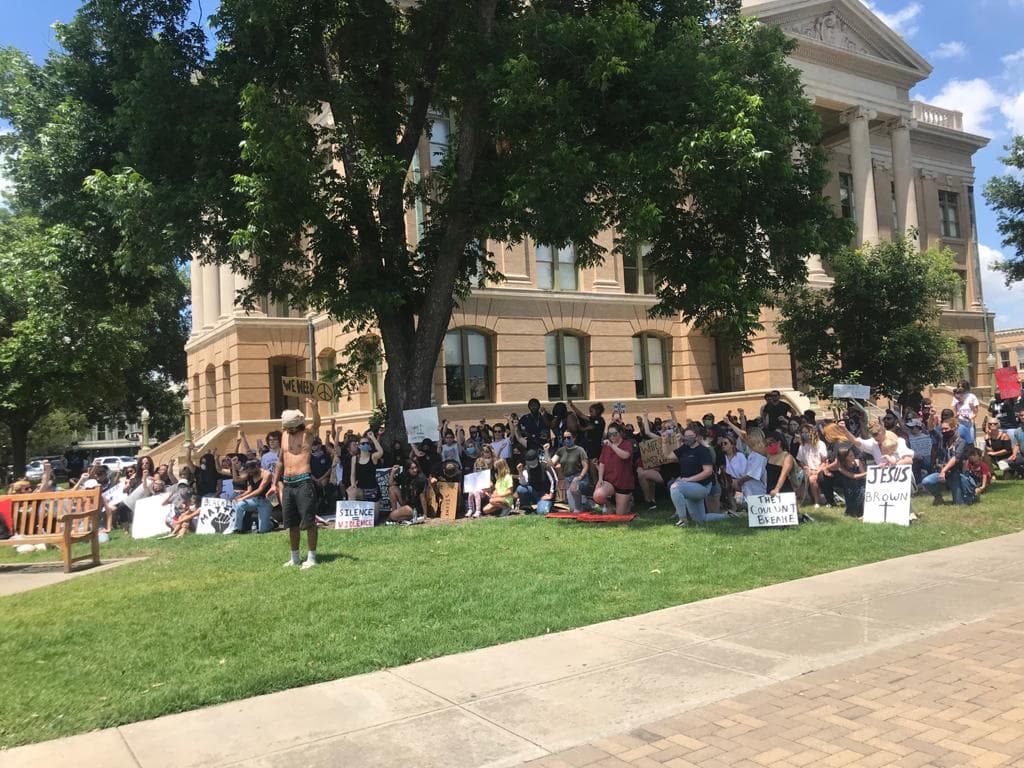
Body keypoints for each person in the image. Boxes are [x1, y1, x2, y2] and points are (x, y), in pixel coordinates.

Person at [280, 400, 321, 569]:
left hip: (303, 481)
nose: (288, 430)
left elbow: (317, 423)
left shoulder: (307, 434)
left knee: (309, 522)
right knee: (291, 523)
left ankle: (311, 558)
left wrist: (314, 407)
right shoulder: (284, 434)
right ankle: (295, 557)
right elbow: (280, 459)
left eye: (291, 427)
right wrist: (276, 481)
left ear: (298, 425)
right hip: (287, 483)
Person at [669, 426, 724, 526]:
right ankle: (730, 515)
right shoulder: (684, 448)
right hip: (690, 487)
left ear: (697, 437)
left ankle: (683, 520)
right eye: (686, 436)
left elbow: (708, 471)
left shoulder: (703, 450)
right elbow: (668, 457)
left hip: (702, 487)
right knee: (700, 519)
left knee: (675, 487)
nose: (687, 438)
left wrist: (688, 480)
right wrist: (664, 442)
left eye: (690, 436)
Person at [921, 418, 972, 506]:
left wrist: (944, 470)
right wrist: (931, 416)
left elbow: (955, 458)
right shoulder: (942, 439)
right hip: (942, 472)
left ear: (954, 428)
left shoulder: (961, 442)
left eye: (946, 429)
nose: (944, 431)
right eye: (942, 429)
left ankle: (971, 494)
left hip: (956, 474)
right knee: (926, 481)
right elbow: (931, 429)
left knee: (959, 504)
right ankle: (938, 497)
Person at [596, 425, 635, 515]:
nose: (612, 436)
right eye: (610, 434)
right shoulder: (606, 447)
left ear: (620, 433)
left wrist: (612, 446)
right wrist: (600, 478)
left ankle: (628, 502)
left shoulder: (627, 443)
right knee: (598, 495)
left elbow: (625, 456)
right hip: (610, 481)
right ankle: (609, 505)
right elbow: (602, 463)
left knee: (620, 515)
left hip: (624, 483)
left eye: (614, 434)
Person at [229, 459, 274, 533]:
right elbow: (236, 479)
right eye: (248, 471)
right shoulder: (250, 474)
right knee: (239, 505)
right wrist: (233, 465)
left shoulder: (267, 474)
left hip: (266, 501)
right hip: (254, 500)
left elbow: (260, 490)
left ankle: (271, 523)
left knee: (263, 530)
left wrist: (243, 498)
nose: (250, 473)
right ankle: (237, 529)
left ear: (256, 467)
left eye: (251, 471)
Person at [551, 430, 590, 513]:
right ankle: (586, 504)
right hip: (568, 479)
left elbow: (586, 466)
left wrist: (579, 477)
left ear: (574, 438)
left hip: (580, 478)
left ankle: (582, 503)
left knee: (575, 490)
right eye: (564, 438)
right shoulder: (560, 450)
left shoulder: (580, 450)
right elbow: (551, 464)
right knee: (572, 509)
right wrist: (546, 452)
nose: (566, 440)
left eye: (568, 437)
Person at [796, 425, 827, 508]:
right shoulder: (802, 446)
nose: (804, 434)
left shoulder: (821, 444)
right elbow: (800, 461)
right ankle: (811, 499)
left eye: (806, 432)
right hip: (807, 469)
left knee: (812, 479)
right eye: (803, 432)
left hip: (820, 468)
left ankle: (817, 501)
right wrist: (805, 467)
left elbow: (824, 461)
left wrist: (817, 471)